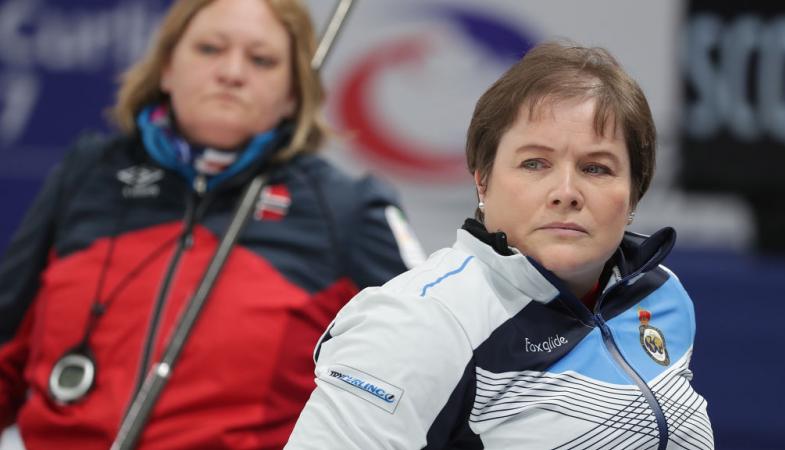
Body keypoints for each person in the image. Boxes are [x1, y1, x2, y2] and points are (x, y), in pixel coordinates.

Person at [0, 0, 423, 448]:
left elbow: (437, 365)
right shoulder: (88, 173)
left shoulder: (346, 207)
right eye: (209, 49)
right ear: (166, 67)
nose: (232, 73)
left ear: (294, 93)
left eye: (261, 60)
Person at [286, 41, 714, 449]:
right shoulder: (421, 320)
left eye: (596, 168)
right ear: (483, 180)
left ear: (634, 193)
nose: (566, 191)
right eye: (535, 163)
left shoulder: (660, 294)